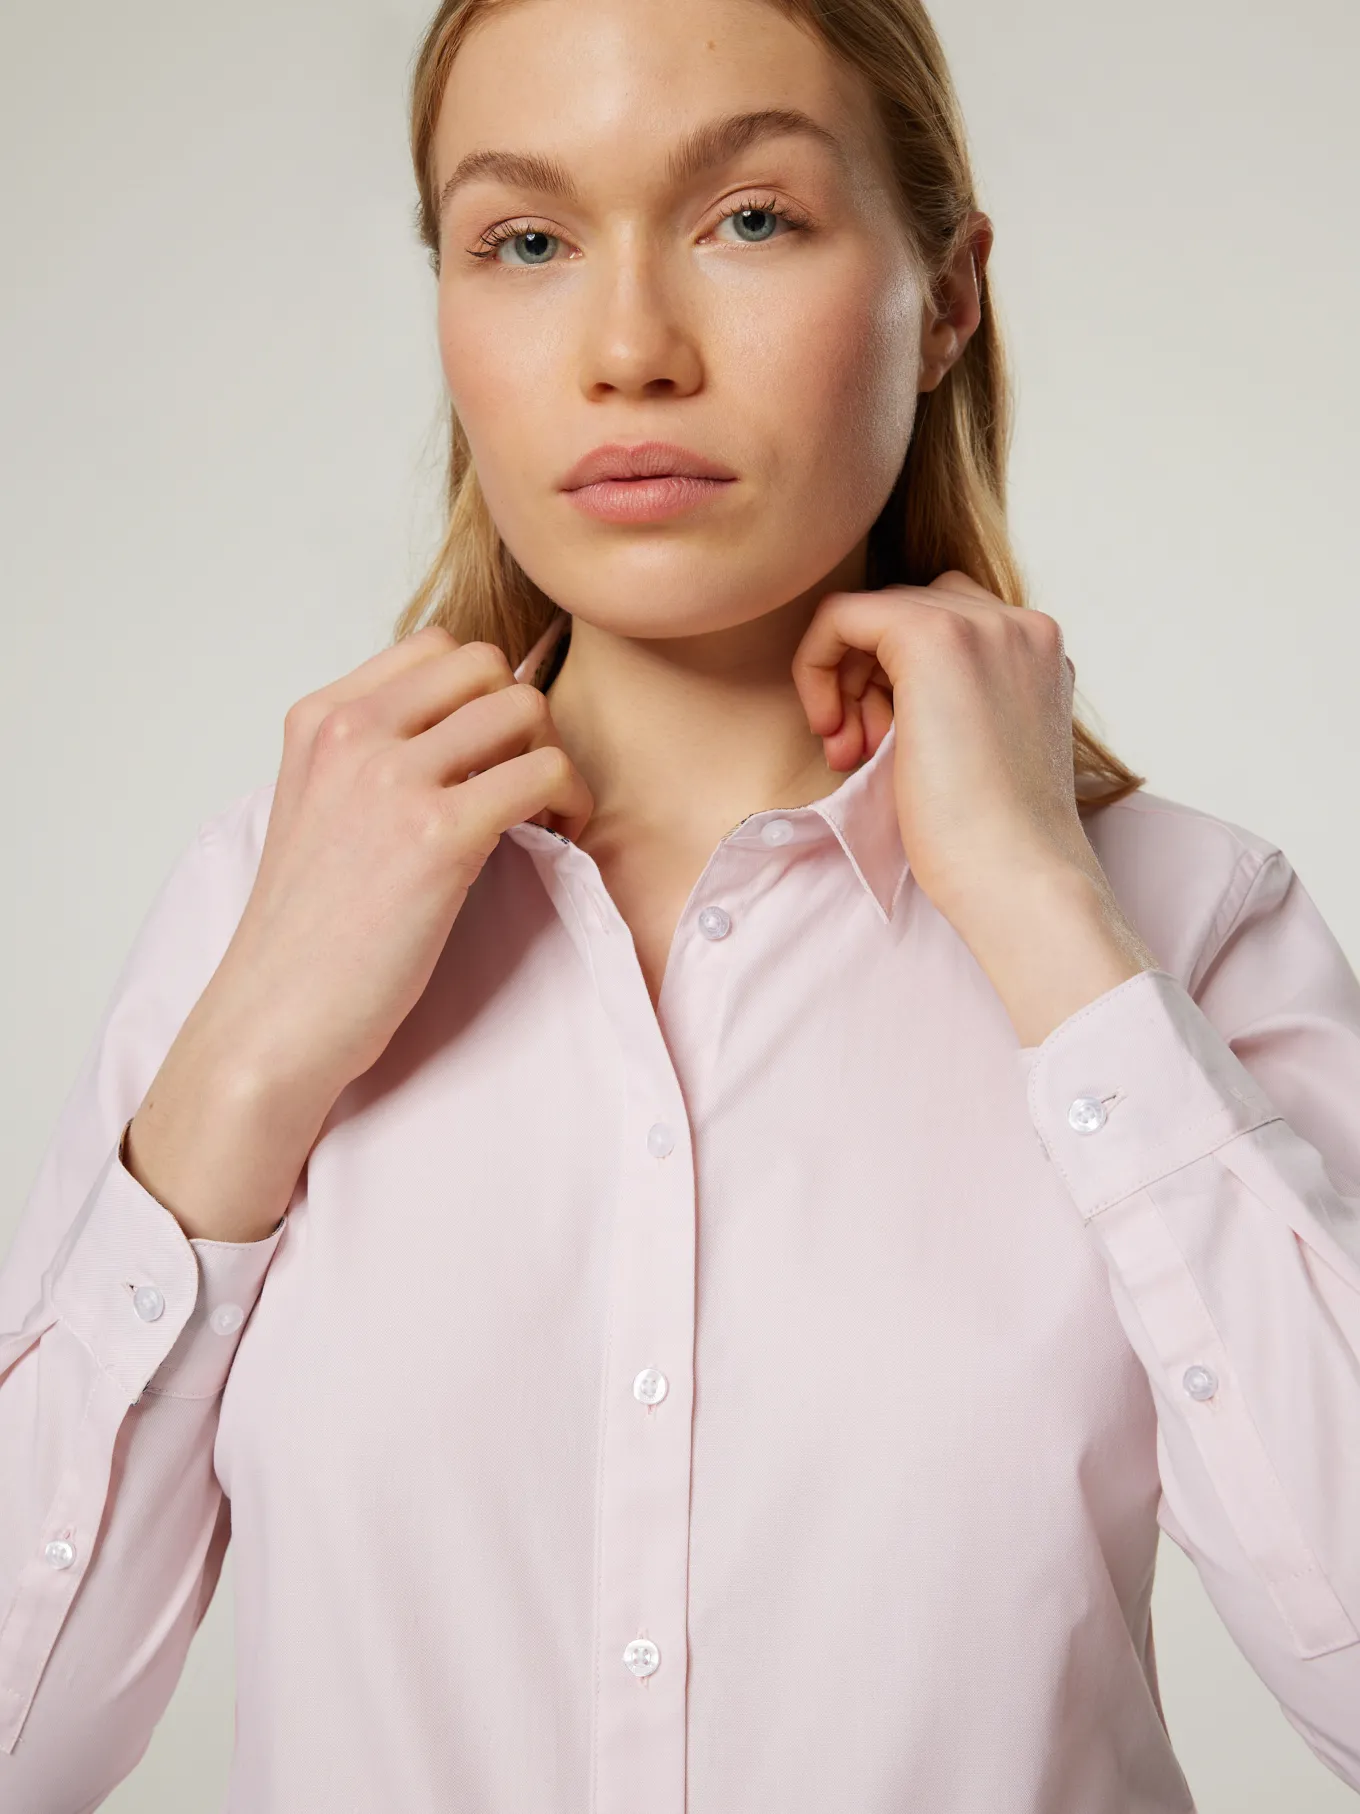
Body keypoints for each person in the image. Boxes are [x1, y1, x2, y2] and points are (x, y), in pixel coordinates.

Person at [1, 0, 1358, 1806]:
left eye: (751, 218)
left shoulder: (1180, 921)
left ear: (949, 294)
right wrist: (243, 1072)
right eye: (526, 241)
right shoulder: (268, 901)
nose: (630, 349)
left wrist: (1045, 912)